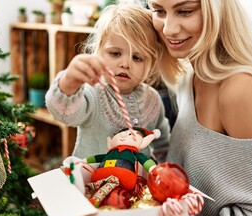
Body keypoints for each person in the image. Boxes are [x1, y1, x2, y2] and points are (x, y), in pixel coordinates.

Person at [147, 0, 252, 216]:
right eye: (158, 11)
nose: (168, 29)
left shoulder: (240, 88)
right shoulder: (191, 75)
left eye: (185, 11)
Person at [45, 3, 181, 162]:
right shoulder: (92, 93)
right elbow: (64, 113)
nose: (125, 63)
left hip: (134, 185)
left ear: (151, 62)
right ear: (98, 51)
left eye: (137, 58)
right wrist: (69, 83)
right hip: (90, 181)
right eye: (115, 53)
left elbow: (163, 145)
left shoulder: (152, 100)